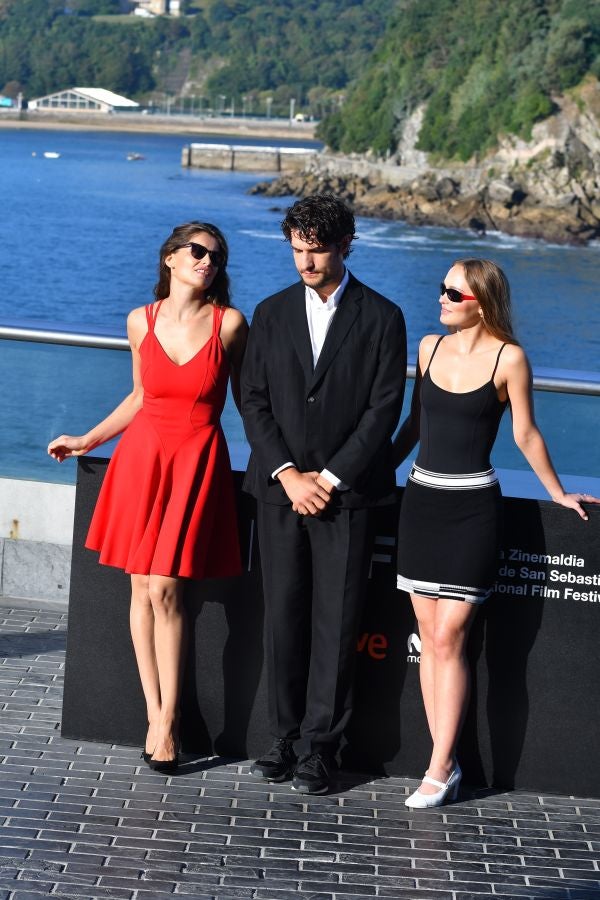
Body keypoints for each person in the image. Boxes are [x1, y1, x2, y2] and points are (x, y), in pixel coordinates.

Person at [394, 258, 600, 809]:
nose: (441, 299)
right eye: (441, 289)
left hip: (471, 509)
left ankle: (439, 767)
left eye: (452, 293)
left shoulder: (511, 359)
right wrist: (375, 470)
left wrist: (557, 491)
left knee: (450, 637)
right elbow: (415, 426)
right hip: (421, 502)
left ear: (480, 302)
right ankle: (445, 760)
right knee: (427, 633)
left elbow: (526, 432)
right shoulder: (428, 349)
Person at [48, 222, 248, 772]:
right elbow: (140, 394)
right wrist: (88, 438)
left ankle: (168, 722)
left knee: (166, 590)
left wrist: (285, 461)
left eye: (217, 256)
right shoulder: (141, 320)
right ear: (170, 258)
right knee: (141, 587)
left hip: (194, 458)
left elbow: (251, 400)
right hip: (143, 457)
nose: (208, 261)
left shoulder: (229, 324)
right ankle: (154, 714)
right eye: (198, 251)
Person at [241, 194, 407, 794]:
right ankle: (283, 737)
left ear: (345, 246)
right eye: (297, 249)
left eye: (316, 250)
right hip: (280, 491)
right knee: (283, 618)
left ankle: (320, 749)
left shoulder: (383, 316)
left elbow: (383, 409)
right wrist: (288, 474)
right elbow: (253, 400)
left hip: (348, 496)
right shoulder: (270, 311)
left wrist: (329, 479)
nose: (305, 262)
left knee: (337, 627)